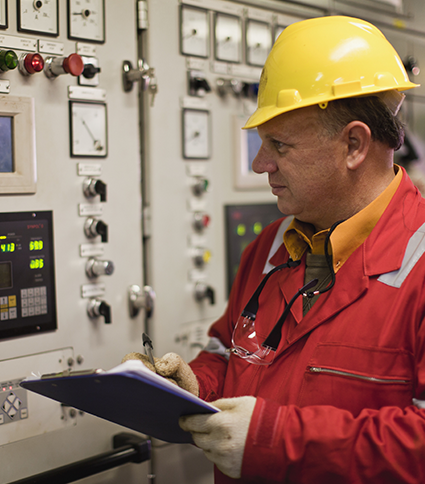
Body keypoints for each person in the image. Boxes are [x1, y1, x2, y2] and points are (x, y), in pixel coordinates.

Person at [124, 15, 425, 483]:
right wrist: (194, 385)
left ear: (354, 144)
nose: (260, 164)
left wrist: (275, 440)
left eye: (279, 146)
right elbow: (231, 353)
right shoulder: (271, 246)